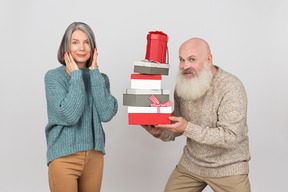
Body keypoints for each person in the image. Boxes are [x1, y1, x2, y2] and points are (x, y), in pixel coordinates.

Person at [142, 37, 251, 192]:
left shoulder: (231, 87)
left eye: (192, 59)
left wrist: (187, 128)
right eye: (181, 60)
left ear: (208, 59)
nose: (185, 66)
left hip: (228, 166)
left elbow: (231, 136)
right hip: (192, 164)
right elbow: (179, 123)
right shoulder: (183, 84)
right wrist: (160, 132)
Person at [44, 22, 118, 192]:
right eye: (75, 42)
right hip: (63, 157)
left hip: (94, 156)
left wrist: (94, 74)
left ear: (93, 47)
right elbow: (70, 115)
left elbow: (106, 113)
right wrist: (76, 76)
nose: (82, 47)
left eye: (86, 42)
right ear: (67, 46)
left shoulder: (100, 78)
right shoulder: (53, 77)